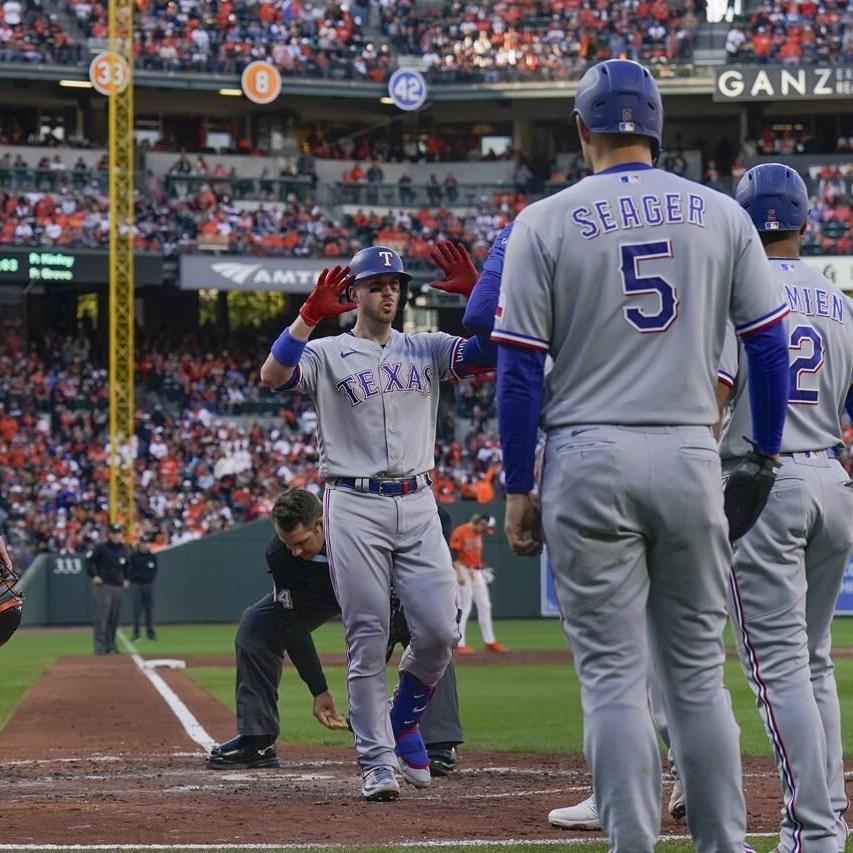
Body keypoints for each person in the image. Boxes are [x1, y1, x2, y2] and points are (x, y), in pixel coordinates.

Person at [491, 59, 790, 851]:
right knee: (696, 678)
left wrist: (517, 484)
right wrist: (763, 452)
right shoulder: (721, 214)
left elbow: (518, 368)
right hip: (690, 450)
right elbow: (767, 341)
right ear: (655, 129)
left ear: (581, 130)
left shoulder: (544, 220)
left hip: (587, 452)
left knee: (613, 679)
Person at [259, 245, 489, 801]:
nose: (389, 291)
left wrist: (482, 299)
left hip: (417, 499)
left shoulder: (426, 347)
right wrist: (307, 317)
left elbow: (497, 354)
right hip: (354, 500)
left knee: (440, 631)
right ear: (355, 293)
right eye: (376, 283)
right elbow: (272, 375)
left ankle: (404, 716)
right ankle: (376, 761)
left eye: (395, 283)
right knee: (368, 636)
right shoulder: (330, 351)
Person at [718, 163, 853, 853]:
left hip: (761, 478)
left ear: (744, 219)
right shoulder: (839, 298)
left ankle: (812, 830)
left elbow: (711, 392)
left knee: (776, 670)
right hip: (831, 475)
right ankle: (829, 812)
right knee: (814, 661)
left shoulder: (738, 288)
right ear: (805, 219)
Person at [207, 489, 465, 783]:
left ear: (321, 524)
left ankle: (439, 742)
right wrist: (320, 691)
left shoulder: (358, 517)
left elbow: (439, 518)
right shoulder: (282, 554)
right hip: (320, 593)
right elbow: (291, 624)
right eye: (287, 543)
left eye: (302, 542)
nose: (295, 551)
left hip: (381, 584)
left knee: (431, 630)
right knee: (257, 625)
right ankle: (258, 740)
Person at [450, 514, 507, 655]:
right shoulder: (461, 531)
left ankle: (489, 641)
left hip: (475, 570)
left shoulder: (478, 533)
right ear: (480, 523)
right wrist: (459, 574)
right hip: (462, 569)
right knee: (464, 608)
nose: (484, 531)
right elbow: (453, 554)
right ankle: (460, 643)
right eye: (485, 527)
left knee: (485, 605)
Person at [86, 523, 130, 655]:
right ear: (109, 534)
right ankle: (100, 646)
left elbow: (127, 565)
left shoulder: (124, 549)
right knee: (102, 617)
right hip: (104, 586)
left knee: (114, 617)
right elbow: (88, 562)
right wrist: (94, 576)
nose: (116, 535)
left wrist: (126, 578)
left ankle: (111, 645)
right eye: (114, 533)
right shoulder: (101, 548)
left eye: (118, 533)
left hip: (118, 586)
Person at [129, 533, 158, 641]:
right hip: (137, 585)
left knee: (149, 611)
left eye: (146, 543)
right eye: (143, 543)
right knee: (137, 611)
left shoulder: (152, 557)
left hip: (148, 585)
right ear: (139, 544)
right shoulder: (134, 556)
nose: (144, 545)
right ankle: (136, 634)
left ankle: (151, 634)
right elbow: (130, 571)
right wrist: (136, 578)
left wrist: (146, 579)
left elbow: (153, 572)